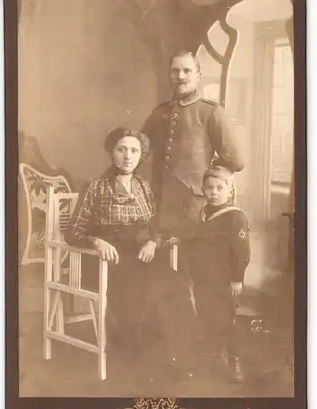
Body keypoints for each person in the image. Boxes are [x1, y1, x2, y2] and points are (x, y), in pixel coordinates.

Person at [65, 127, 196, 383]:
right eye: (121, 149)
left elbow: (155, 226)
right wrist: (96, 241)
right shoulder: (95, 187)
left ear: (141, 155)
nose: (128, 156)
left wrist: (153, 242)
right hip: (110, 260)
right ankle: (145, 366)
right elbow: (73, 233)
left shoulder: (143, 186)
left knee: (175, 287)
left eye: (134, 150)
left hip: (141, 254)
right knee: (140, 293)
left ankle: (178, 359)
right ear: (110, 152)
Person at [142, 49, 245, 242]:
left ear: (198, 76)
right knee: (159, 262)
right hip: (158, 203)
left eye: (187, 71)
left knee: (190, 262)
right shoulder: (159, 113)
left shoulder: (211, 112)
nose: (180, 76)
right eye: (175, 71)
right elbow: (139, 149)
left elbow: (236, 160)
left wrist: (206, 176)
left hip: (193, 206)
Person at [183, 166, 250, 383]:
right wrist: (181, 240)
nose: (214, 192)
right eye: (209, 187)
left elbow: (241, 252)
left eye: (220, 188)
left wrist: (236, 279)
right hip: (204, 278)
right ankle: (215, 357)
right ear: (203, 189)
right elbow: (199, 238)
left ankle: (235, 361)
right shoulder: (204, 213)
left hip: (225, 280)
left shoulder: (235, 217)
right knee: (207, 316)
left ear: (230, 191)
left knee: (227, 320)